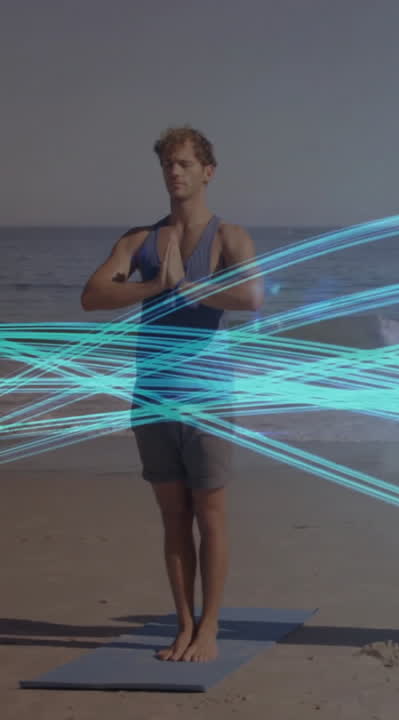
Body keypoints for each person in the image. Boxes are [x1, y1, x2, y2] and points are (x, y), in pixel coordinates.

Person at [80, 126, 264, 662]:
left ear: (208, 171)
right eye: (168, 165)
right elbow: (93, 295)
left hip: (205, 395)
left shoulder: (229, 237)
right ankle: (183, 625)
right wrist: (155, 285)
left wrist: (191, 287)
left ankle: (210, 628)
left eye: (184, 164)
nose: (175, 173)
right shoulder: (141, 241)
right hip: (151, 396)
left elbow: (252, 294)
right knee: (172, 516)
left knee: (211, 512)